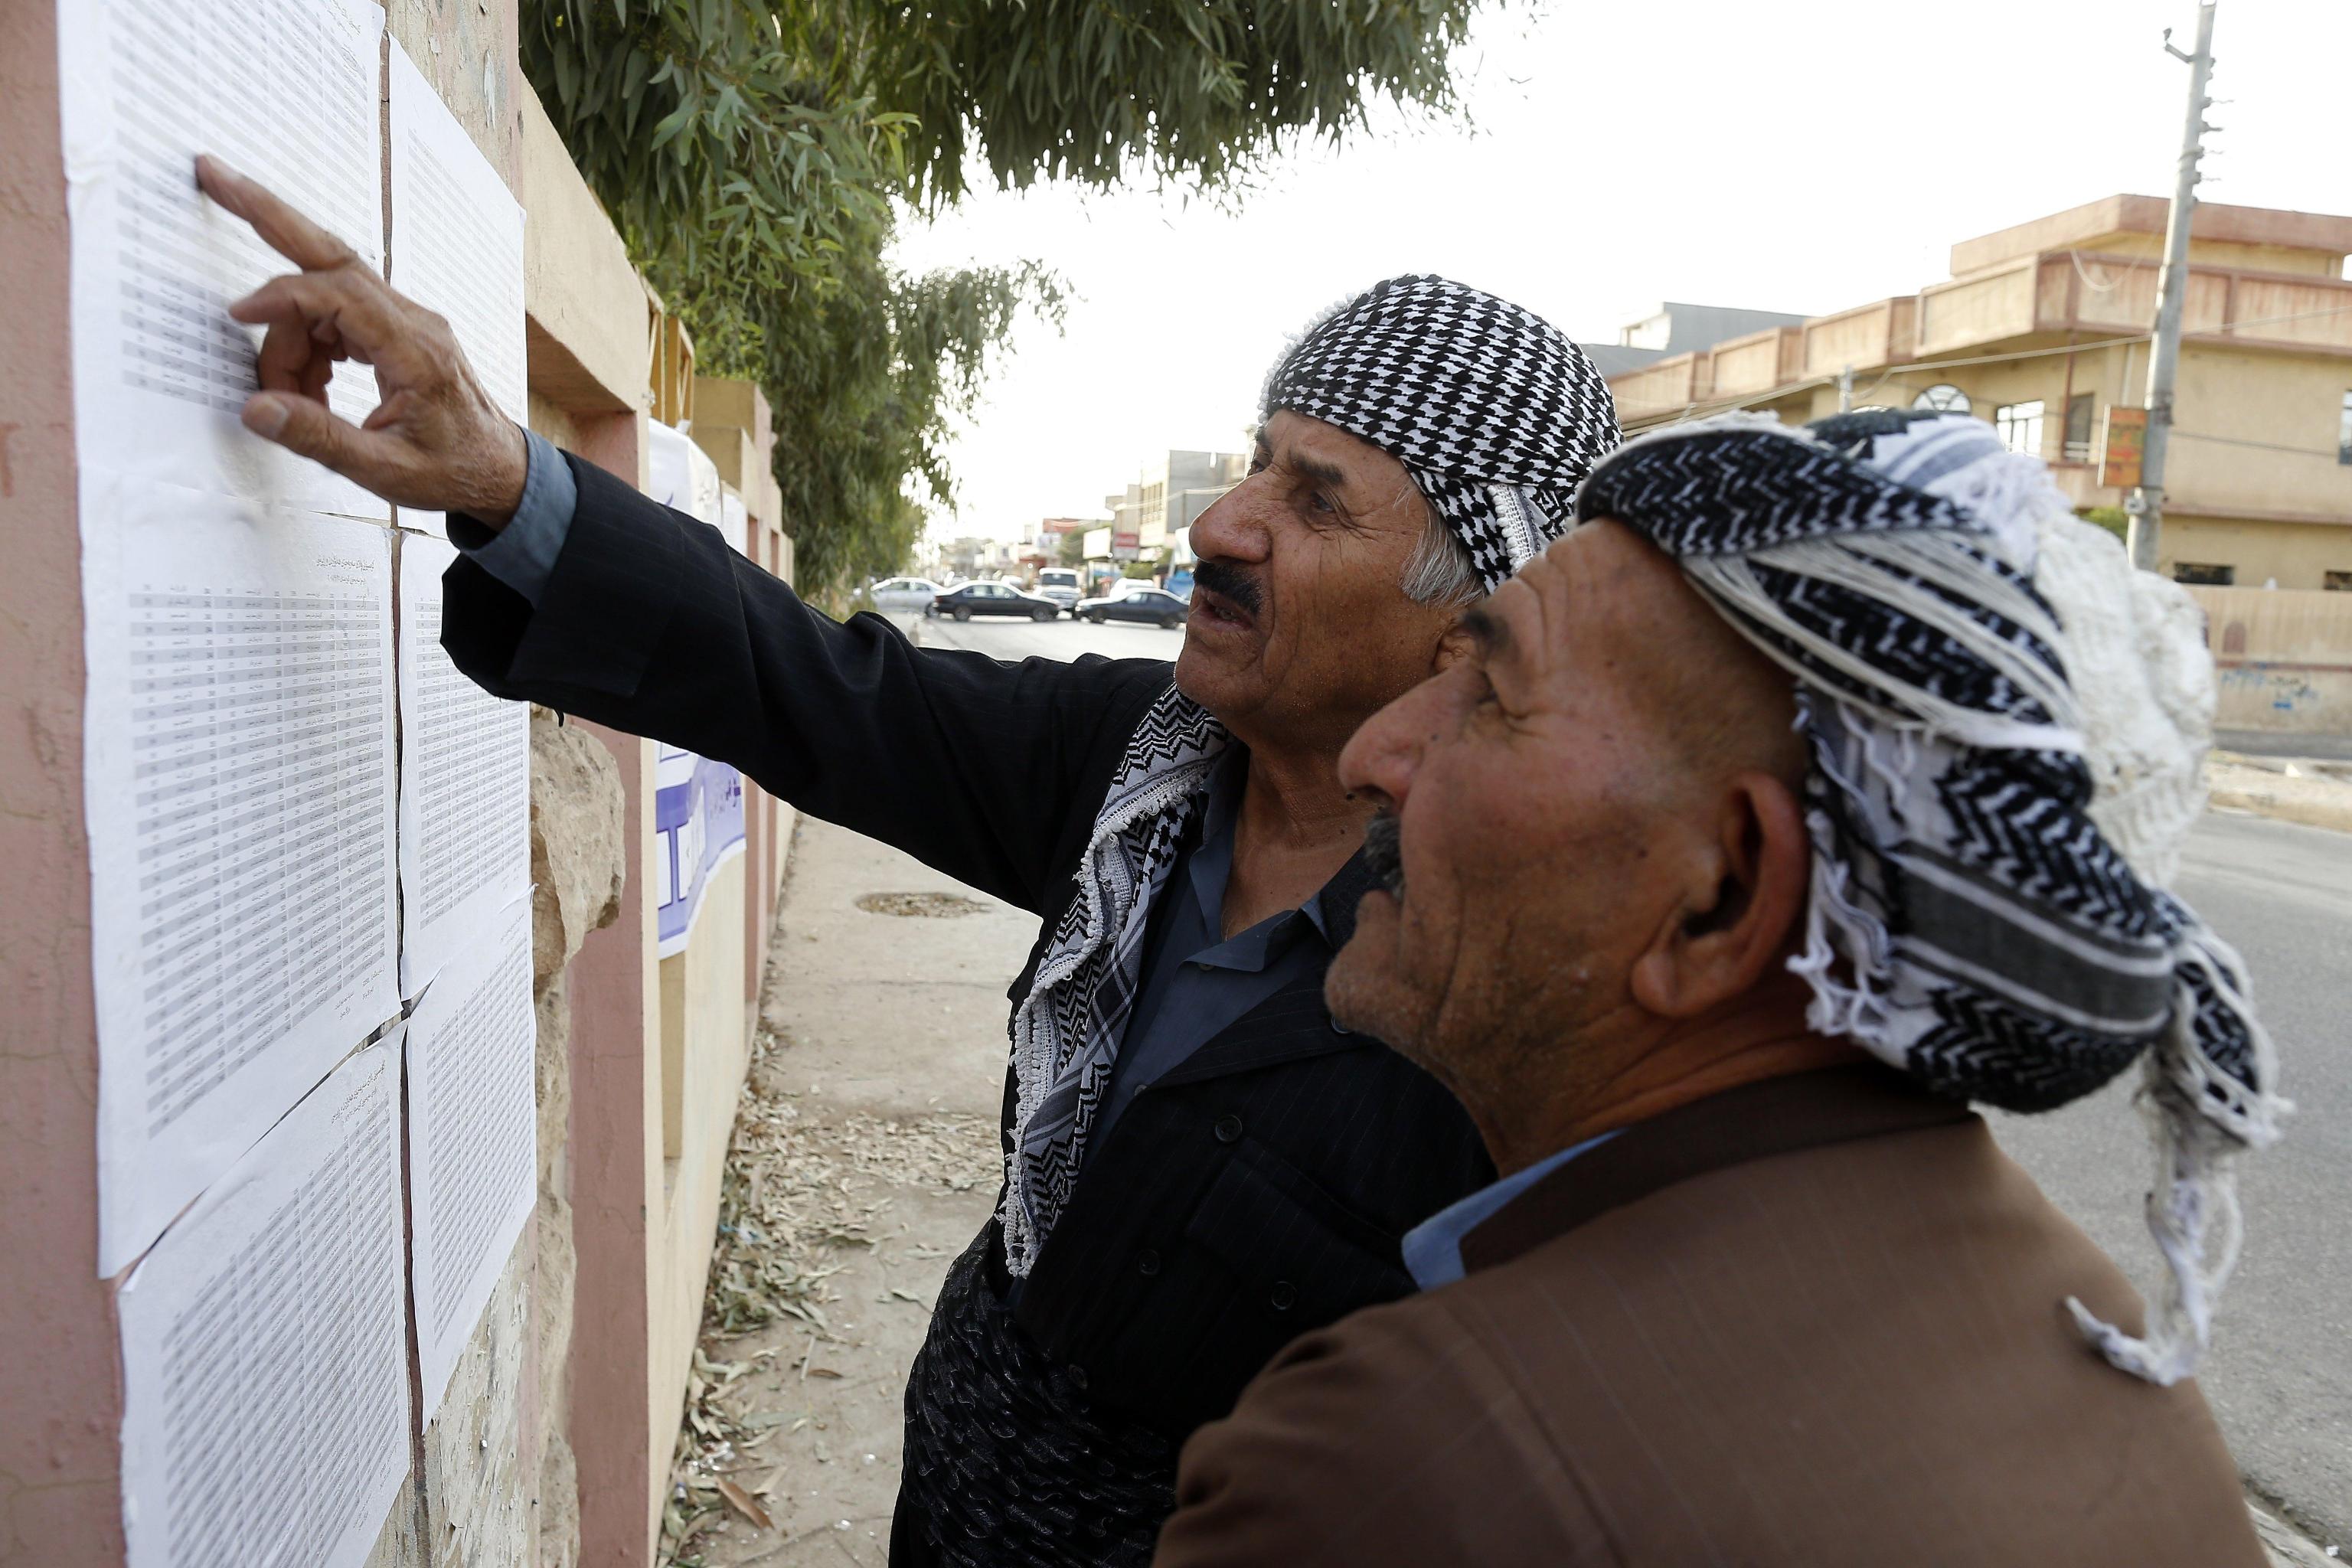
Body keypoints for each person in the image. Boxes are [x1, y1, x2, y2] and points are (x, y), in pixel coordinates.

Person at [188, 157, 1623, 1565]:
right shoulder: (1142, 766)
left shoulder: (1518, 959)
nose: (1220, 524)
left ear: (1472, 621)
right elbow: (816, 689)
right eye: (1256, 463)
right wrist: (507, 478)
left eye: (1315, 502)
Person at [1153, 409, 2285, 1566]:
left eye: (1491, 698)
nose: (1374, 754)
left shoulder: (1406, 1462)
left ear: (1723, 897)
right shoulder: (2095, 1331)